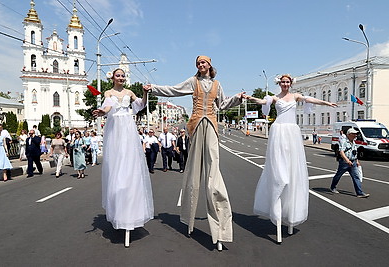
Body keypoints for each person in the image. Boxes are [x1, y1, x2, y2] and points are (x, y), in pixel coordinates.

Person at [143, 55, 245, 250]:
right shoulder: (193, 82)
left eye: (203, 62)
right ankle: (188, 219)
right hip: (196, 126)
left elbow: (223, 105)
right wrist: (153, 89)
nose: (201, 65)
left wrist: (238, 99)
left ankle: (220, 228)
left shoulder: (217, 84)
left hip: (212, 126)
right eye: (198, 63)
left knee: (213, 172)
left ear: (210, 65)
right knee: (193, 173)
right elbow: (173, 90)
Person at [246, 73, 337, 243]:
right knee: (279, 170)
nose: (285, 84)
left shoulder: (295, 96)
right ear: (279, 83)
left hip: (292, 132)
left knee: (293, 168)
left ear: (291, 83)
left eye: (287, 82)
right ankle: (277, 200)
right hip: (279, 131)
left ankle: (289, 214)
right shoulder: (274, 97)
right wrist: (249, 97)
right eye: (283, 82)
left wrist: (326, 102)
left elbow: (310, 100)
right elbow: (260, 102)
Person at [93, 68, 154, 247]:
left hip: (128, 128)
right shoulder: (109, 92)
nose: (120, 78)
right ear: (112, 77)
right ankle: (119, 210)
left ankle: (131, 211)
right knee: (116, 169)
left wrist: (144, 93)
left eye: (122, 76)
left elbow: (141, 105)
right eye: (117, 75)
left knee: (130, 167)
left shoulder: (129, 92)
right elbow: (108, 107)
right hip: (115, 130)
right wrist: (102, 113)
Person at [330, 128, 369, 198]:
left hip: (353, 162)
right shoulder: (344, 141)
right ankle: (333, 187)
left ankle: (359, 193)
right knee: (338, 175)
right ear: (349, 134)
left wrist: (357, 161)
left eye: (356, 134)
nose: (355, 135)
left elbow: (354, 152)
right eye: (354, 134)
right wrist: (347, 161)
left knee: (356, 177)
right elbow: (341, 152)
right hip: (344, 162)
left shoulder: (353, 142)